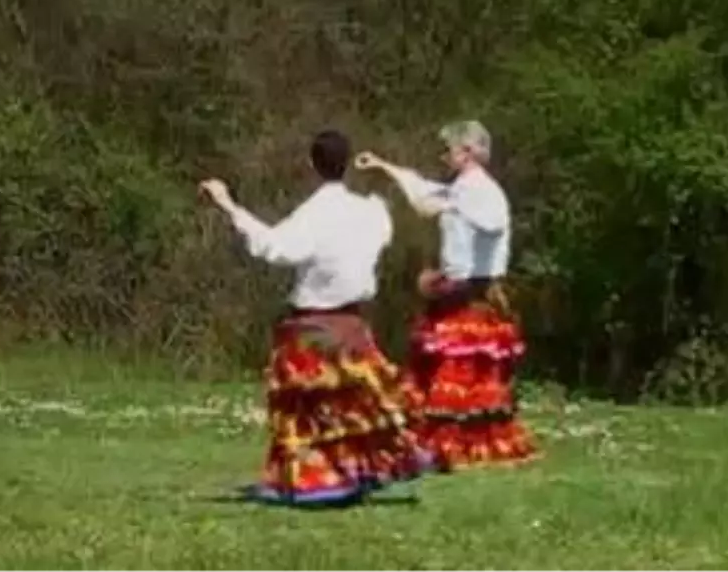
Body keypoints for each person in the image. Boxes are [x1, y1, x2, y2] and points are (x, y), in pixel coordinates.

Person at [198, 130, 431, 506]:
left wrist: (228, 205)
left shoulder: (314, 214)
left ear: (311, 164)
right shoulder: (370, 211)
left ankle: (317, 481)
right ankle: (353, 475)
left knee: (305, 411)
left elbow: (273, 247)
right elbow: (383, 229)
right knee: (356, 406)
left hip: (312, 327)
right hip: (353, 327)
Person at [355, 120, 538, 470]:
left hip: (469, 294)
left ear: (467, 152)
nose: (444, 156)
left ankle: (457, 450)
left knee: (458, 375)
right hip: (464, 290)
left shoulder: (478, 192)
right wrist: (384, 166)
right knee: (455, 375)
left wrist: (441, 276)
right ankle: (454, 449)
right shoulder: (463, 190)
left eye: (450, 150)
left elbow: (482, 228)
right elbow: (427, 193)